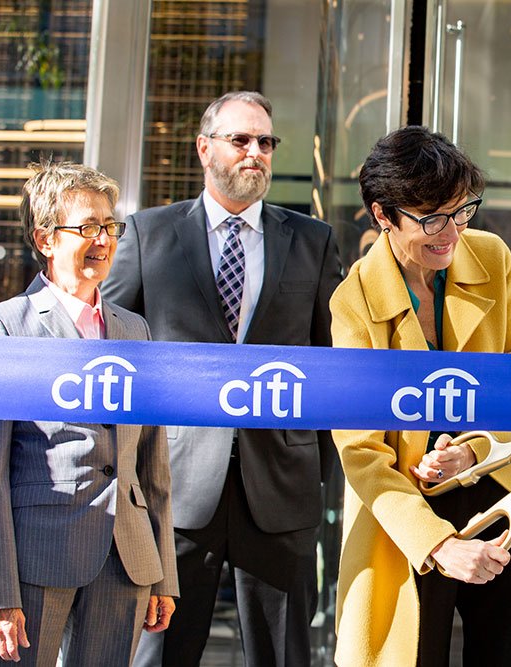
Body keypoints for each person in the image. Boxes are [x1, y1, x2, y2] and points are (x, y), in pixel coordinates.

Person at [103, 91, 342, 666]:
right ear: (205, 148)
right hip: (173, 487)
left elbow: (333, 362)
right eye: (240, 140)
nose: (255, 152)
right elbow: (106, 338)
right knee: (158, 652)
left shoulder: (313, 242)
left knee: (282, 654)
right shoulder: (147, 233)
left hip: (280, 487)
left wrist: (332, 476)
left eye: (265, 142)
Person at [329, 126, 511, 667]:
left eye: (462, 212)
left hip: (498, 485)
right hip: (406, 514)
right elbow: (360, 451)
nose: (450, 232)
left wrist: (474, 450)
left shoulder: (492, 258)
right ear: (383, 215)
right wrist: (437, 544)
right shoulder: (355, 299)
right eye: (431, 218)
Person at [0, 162, 178, 665]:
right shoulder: (1, 328)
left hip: (127, 560)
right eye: (87, 227)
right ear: (45, 239)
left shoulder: (135, 330)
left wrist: (161, 573)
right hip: (33, 562)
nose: (103, 239)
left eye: (109, 226)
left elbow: (152, 464)